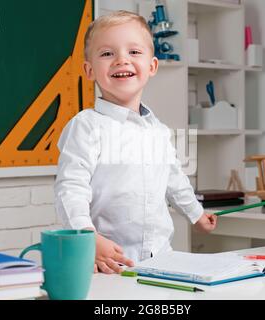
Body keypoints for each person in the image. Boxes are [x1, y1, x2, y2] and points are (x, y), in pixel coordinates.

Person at [55, 10, 217, 274]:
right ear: (89, 69)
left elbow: (175, 180)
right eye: (107, 53)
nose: (121, 60)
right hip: (107, 263)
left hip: (161, 258)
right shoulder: (85, 126)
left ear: (152, 66)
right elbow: (70, 189)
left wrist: (196, 214)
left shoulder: (158, 130)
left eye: (134, 52)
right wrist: (86, 237)